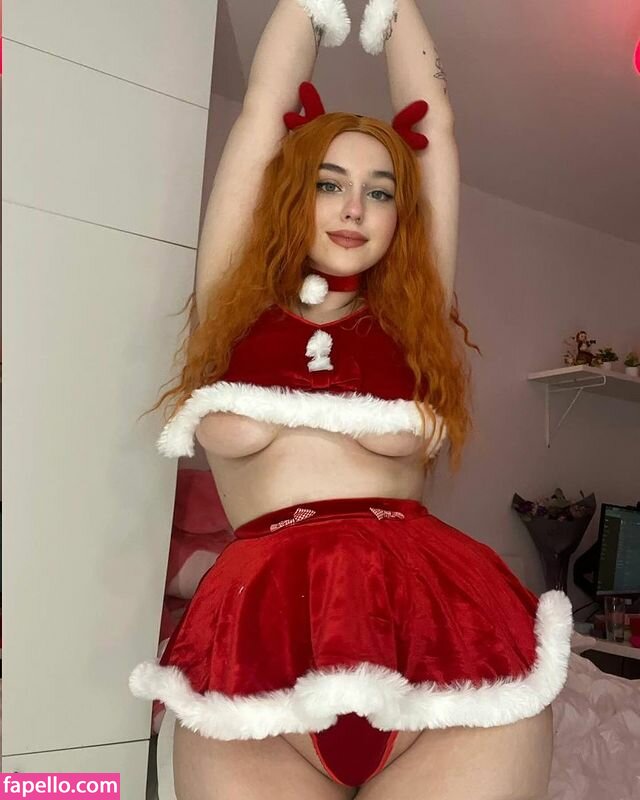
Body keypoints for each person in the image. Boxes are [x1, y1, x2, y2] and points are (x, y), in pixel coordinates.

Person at [129, 1, 573, 798]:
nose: (354, 208)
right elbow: (263, 108)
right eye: (329, 183)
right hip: (254, 661)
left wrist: (395, 9)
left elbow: (435, 126)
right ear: (290, 192)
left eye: (380, 191)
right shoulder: (233, 310)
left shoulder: (410, 323)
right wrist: (310, 7)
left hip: (443, 653)